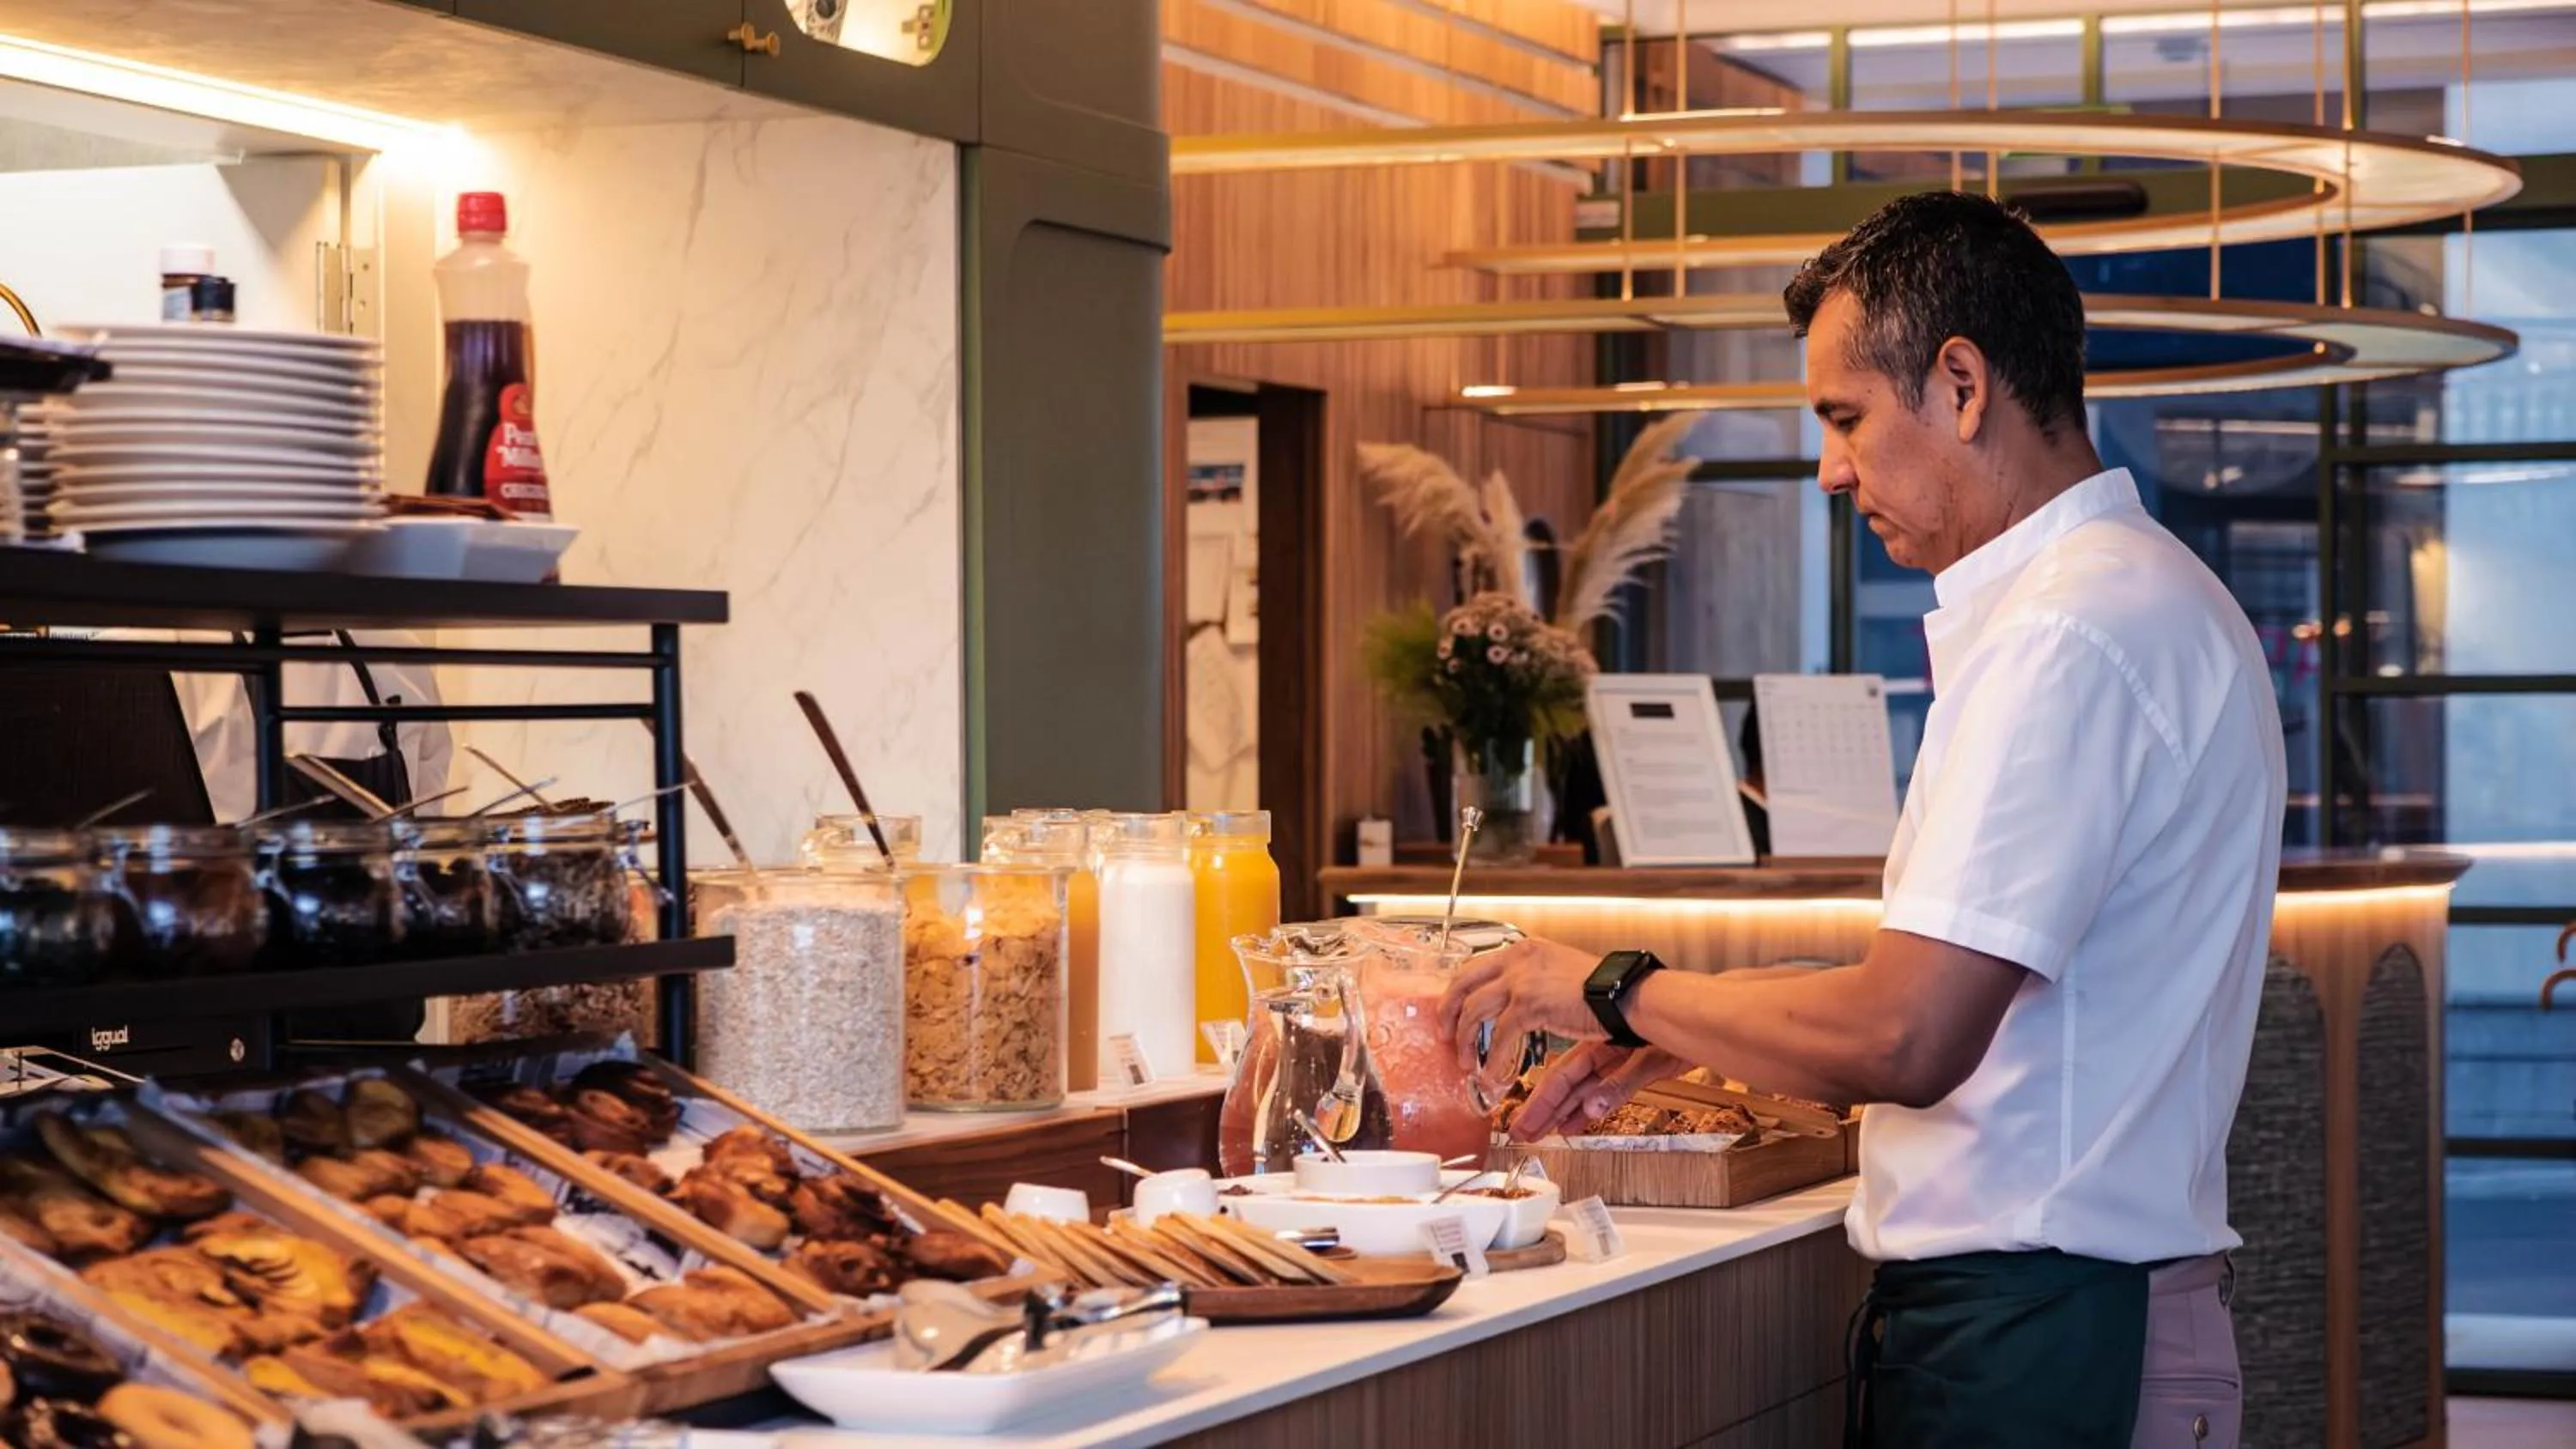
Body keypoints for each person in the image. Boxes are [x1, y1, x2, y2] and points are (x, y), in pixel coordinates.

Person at [1438, 191, 2285, 1449]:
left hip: (2043, 1338)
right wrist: (1692, 1026)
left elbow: (1909, 1036)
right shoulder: (2149, 593)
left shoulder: (2065, 630)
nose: (1831, 469)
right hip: (2083, 1317)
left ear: (1960, 383)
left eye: (1844, 418)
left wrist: (1615, 987)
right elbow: (1992, 994)